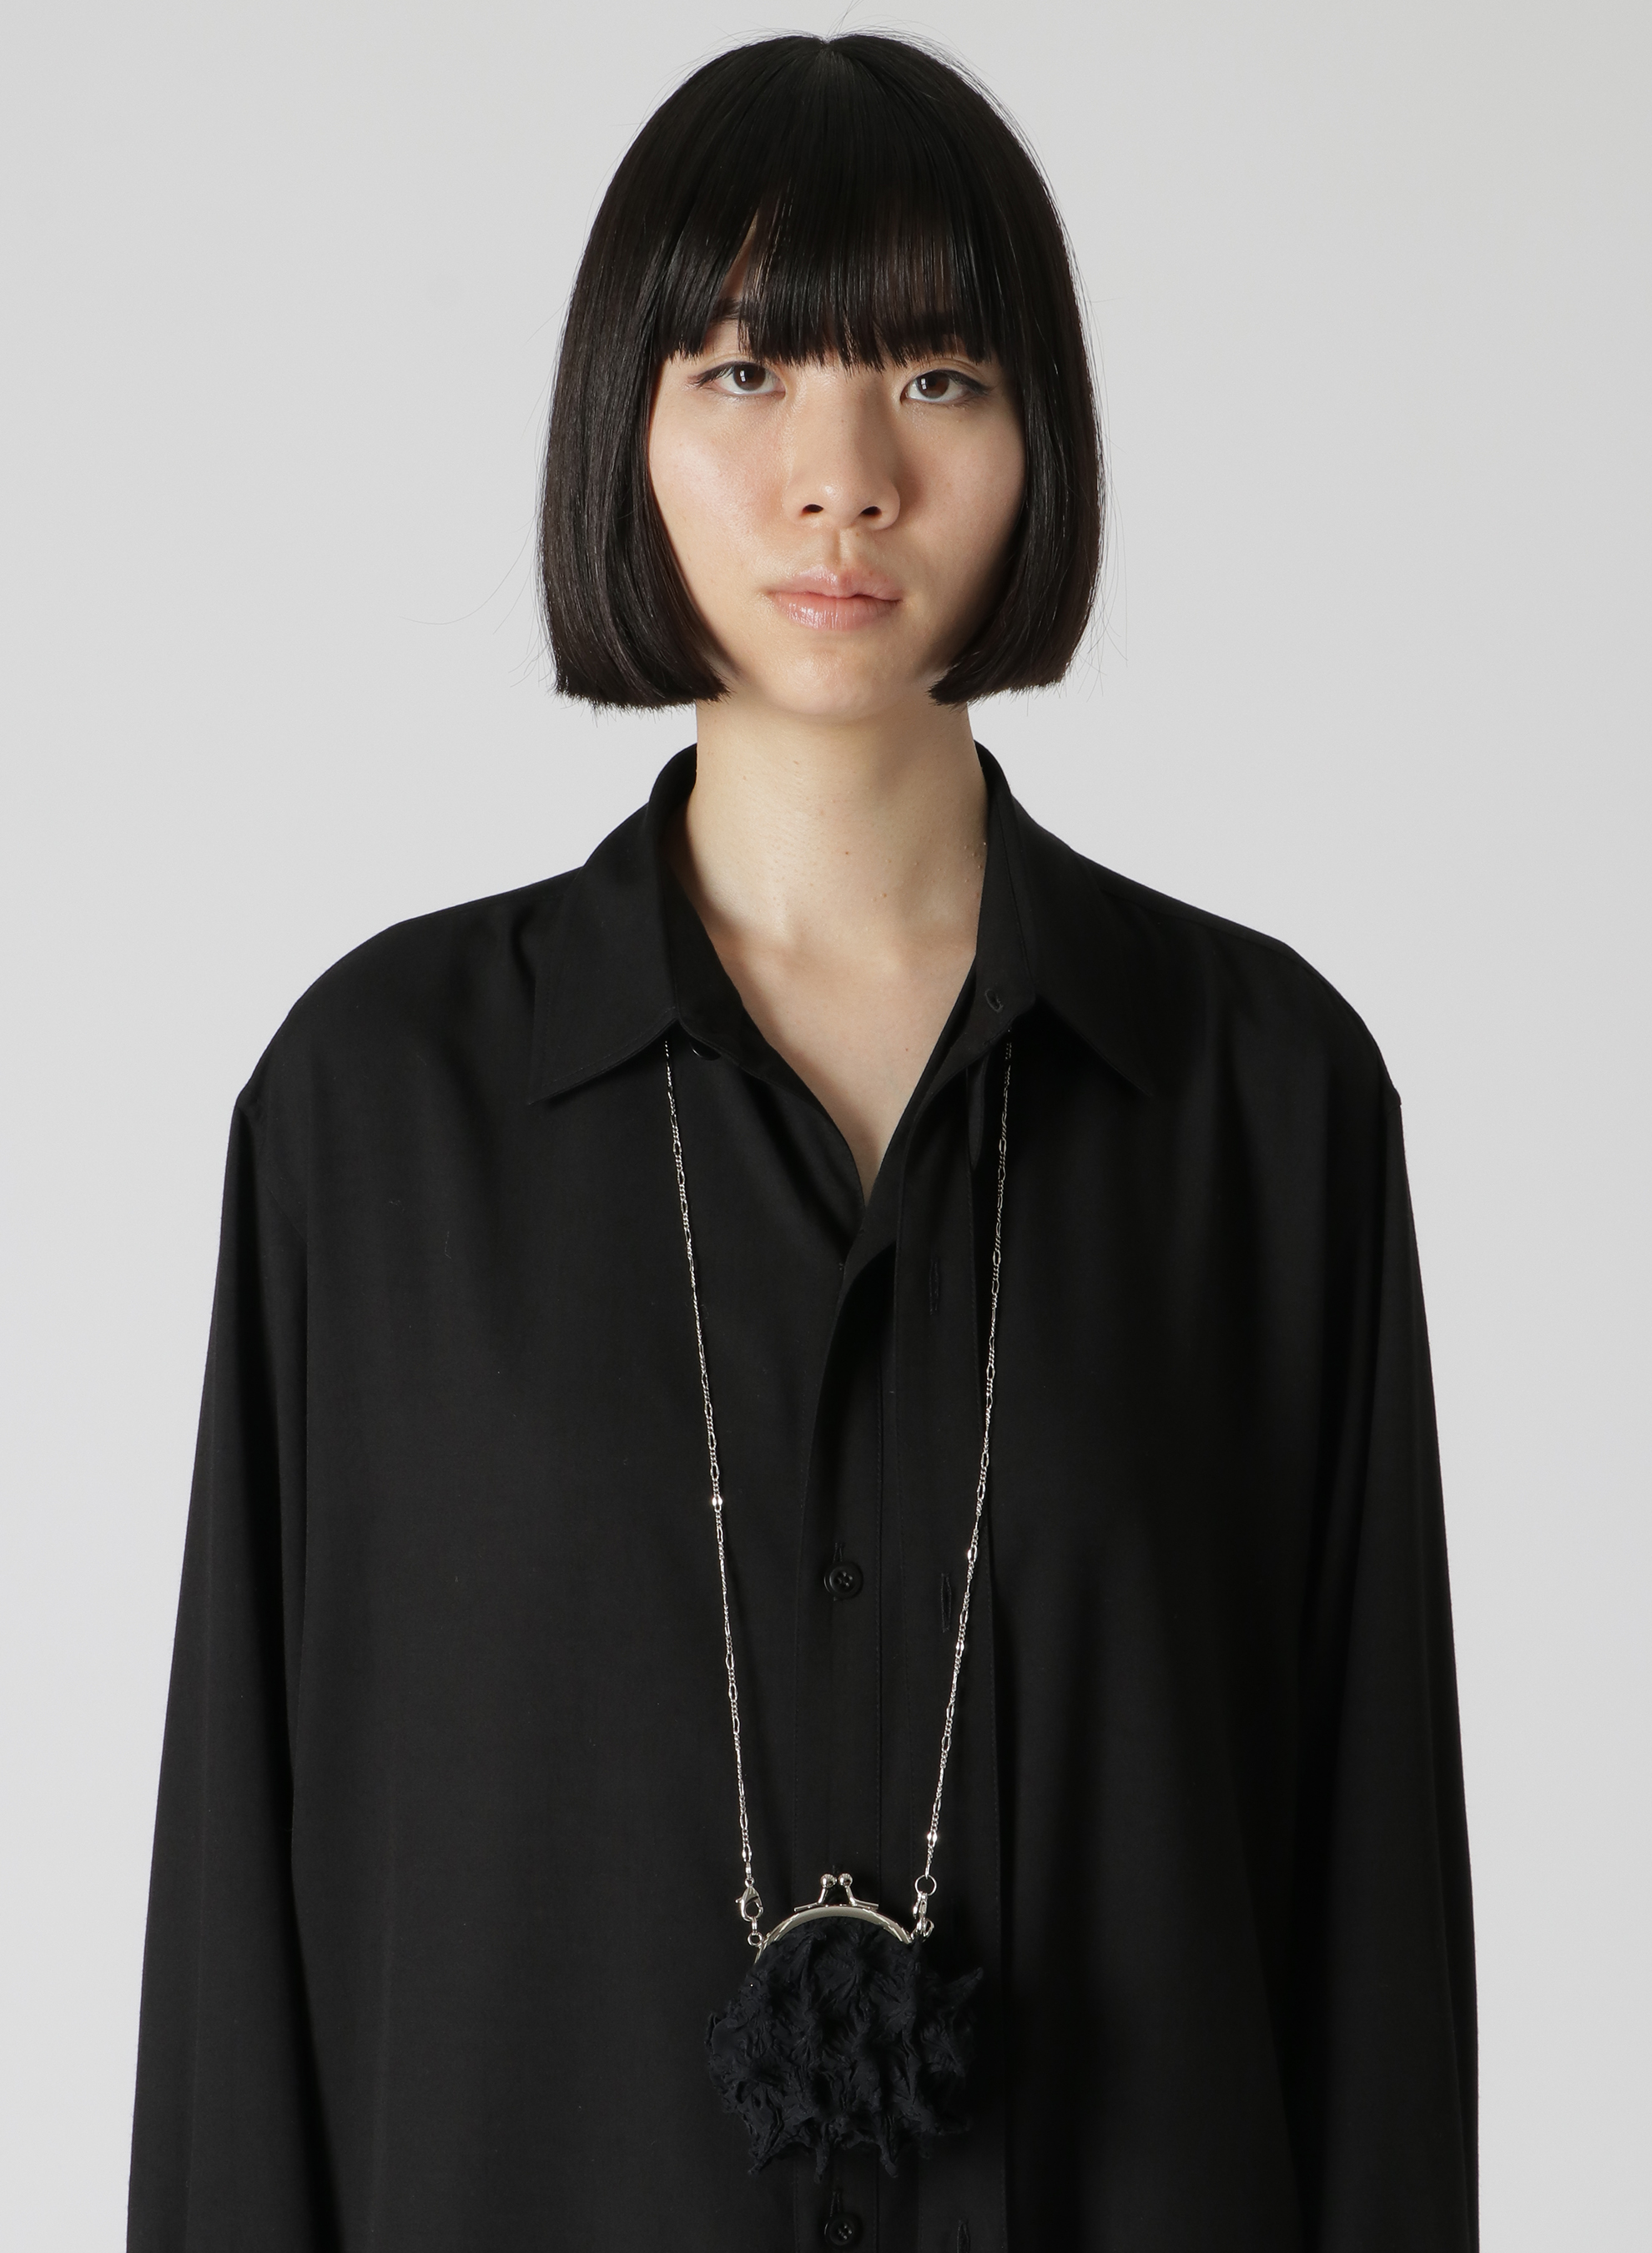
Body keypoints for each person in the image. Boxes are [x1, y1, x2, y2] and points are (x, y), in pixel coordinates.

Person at [127, 33, 1477, 2253]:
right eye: (745, 373)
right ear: (624, 424)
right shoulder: (372, 1118)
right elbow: (233, 1993)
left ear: (1041, 438)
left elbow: (1375, 1971)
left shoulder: (1263, 1103)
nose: (841, 479)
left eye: (936, 377)